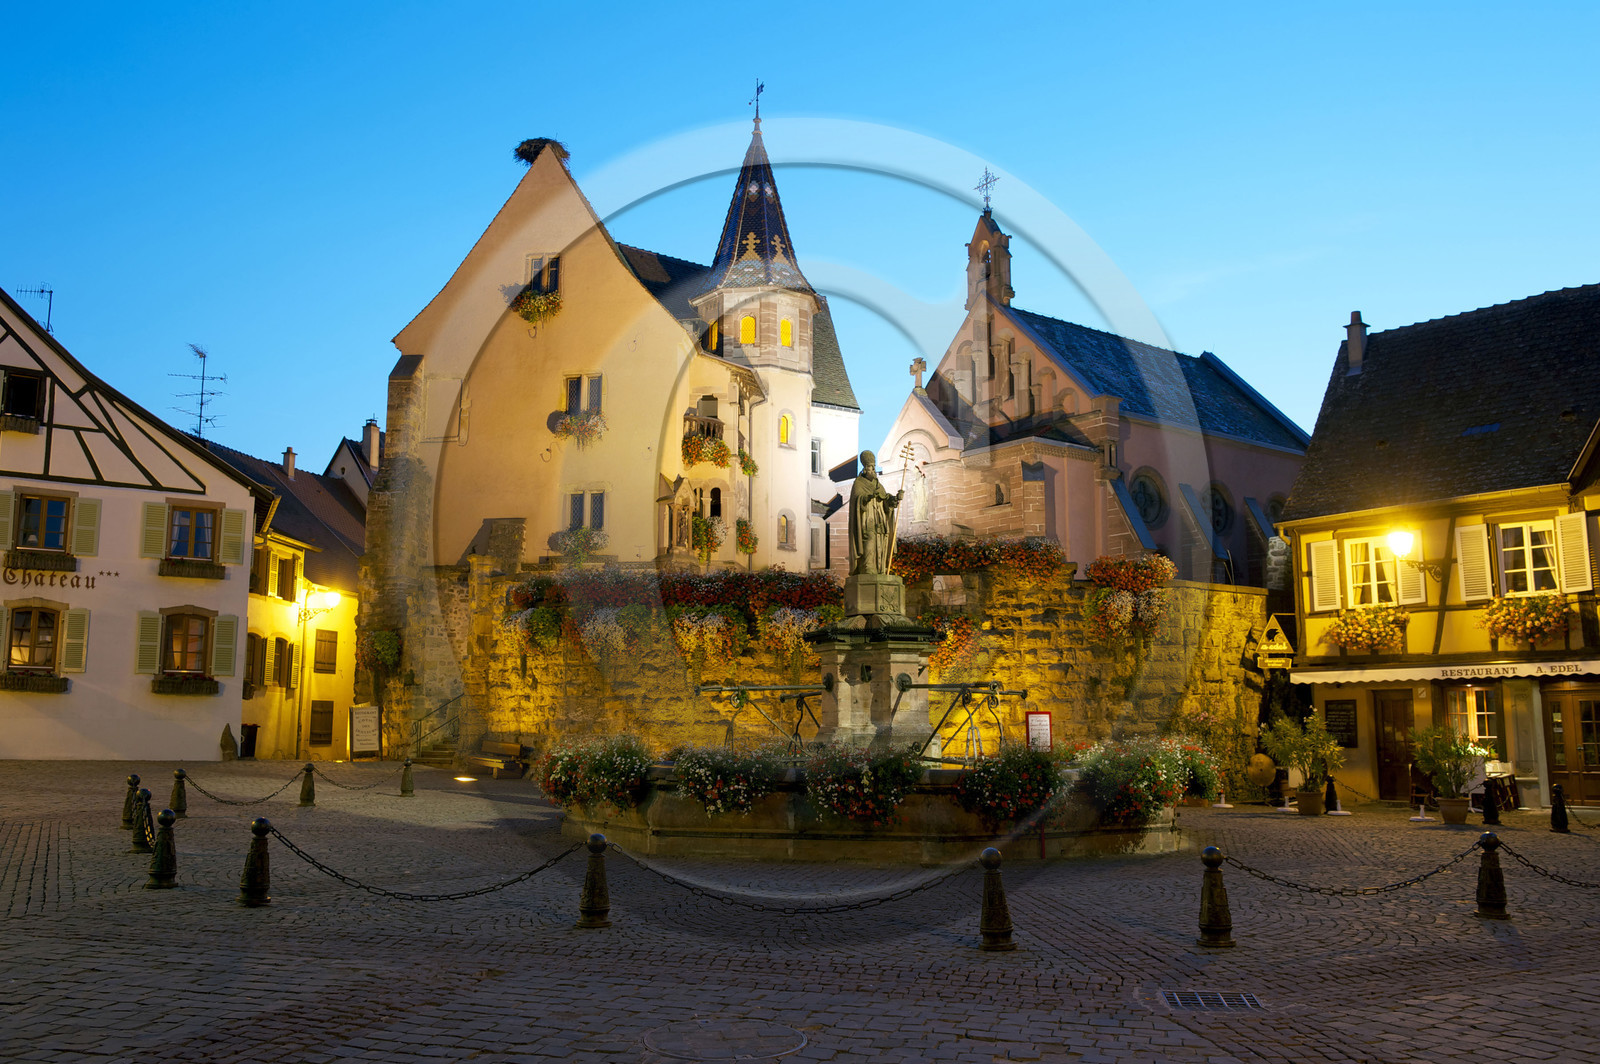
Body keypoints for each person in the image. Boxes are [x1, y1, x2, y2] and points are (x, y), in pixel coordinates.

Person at [848, 450, 903, 576]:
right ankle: (867, 569)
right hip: (867, 519)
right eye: (870, 467)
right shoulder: (859, 483)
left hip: (880, 519)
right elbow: (857, 499)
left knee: (881, 542)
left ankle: (880, 569)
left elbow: (886, 500)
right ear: (864, 469)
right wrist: (868, 497)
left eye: (873, 467)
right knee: (870, 540)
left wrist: (894, 499)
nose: (873, 470)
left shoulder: (879, 485)